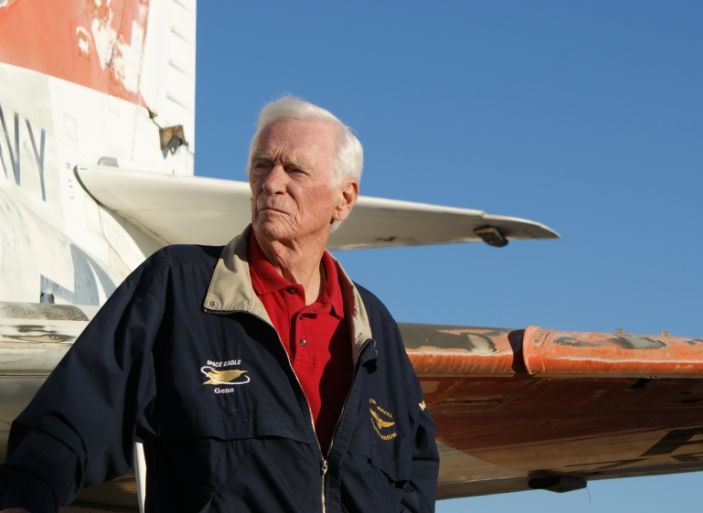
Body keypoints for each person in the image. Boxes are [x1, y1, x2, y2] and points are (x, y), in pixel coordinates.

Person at [0, 96, 439, 513]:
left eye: (295, 170)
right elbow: (72, 419)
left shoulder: (374, 327)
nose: (271, 183)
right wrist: (23, 498)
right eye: (261, 166)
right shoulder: (177, 286)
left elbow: (413, 474)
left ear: (344, 199)